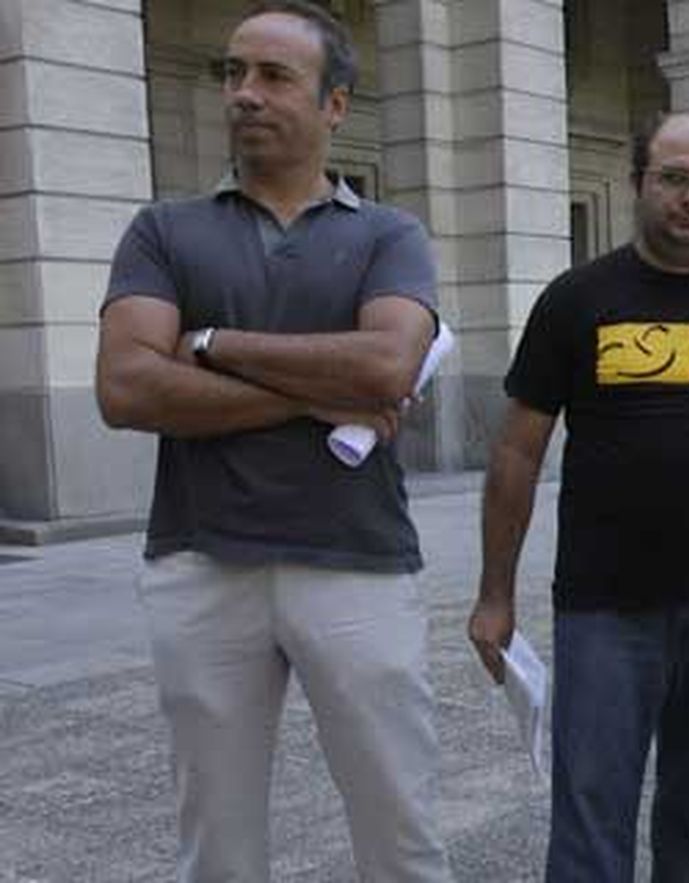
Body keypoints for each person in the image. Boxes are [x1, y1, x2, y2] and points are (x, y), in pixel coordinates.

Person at [94, 3, 452, 880]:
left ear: (335, 104)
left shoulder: (389, 234)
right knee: (217, 847)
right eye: (233, 72)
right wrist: (314, 398)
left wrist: (212, 343)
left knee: (401, 829)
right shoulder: (163, 229)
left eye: (273, 76)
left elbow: (387, 367)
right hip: (202, 561)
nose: (244, 93)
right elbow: (126, 386)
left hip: (357, 561)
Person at [468, 112, 689, 883]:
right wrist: (494, 594)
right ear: (638, 183)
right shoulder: (577, 298)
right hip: (604, 606)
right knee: (591, 813)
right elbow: (517, 451)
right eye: (673, 178)